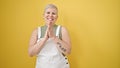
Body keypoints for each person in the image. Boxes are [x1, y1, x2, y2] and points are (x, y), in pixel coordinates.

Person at [28, 4, 71, 68]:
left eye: (53, 13)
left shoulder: (62, 30)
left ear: (56, 17)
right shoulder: (36, 31)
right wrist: (45, 39)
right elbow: (31, 53)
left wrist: (53, 37)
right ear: (43, 15)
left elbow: (68, 51)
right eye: (48, 13)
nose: (50, 15)